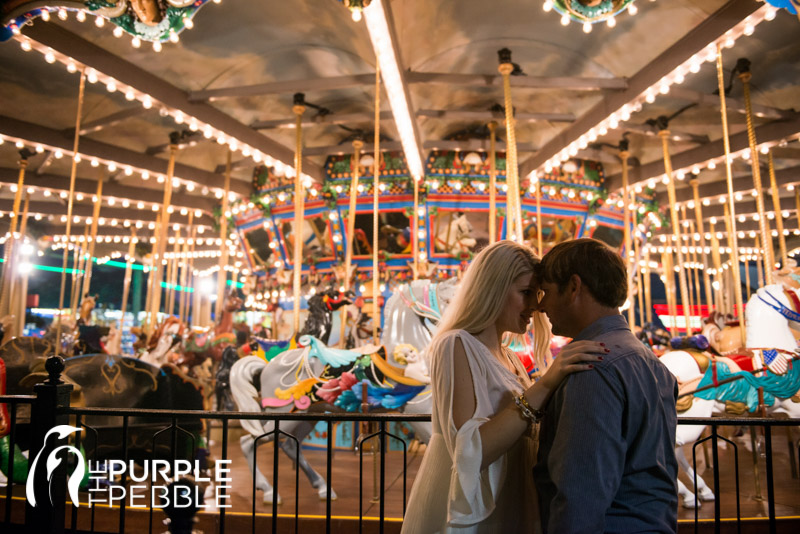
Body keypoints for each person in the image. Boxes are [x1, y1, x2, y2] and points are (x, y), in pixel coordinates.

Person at [402, 240, 605, 533]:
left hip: (512, 494)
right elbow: (472, 450)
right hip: (477, 504)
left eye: (537, 294)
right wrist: (547, 381)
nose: (535, 306)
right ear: (493, 289)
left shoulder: (509, 357)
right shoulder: (457, 344)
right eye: (525, 293)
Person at [533, 238, 679, 533]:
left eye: (545, 291)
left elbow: (581, 491)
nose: (541, 305)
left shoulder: (591, 366)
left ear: (574, 287)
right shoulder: (650, 361)